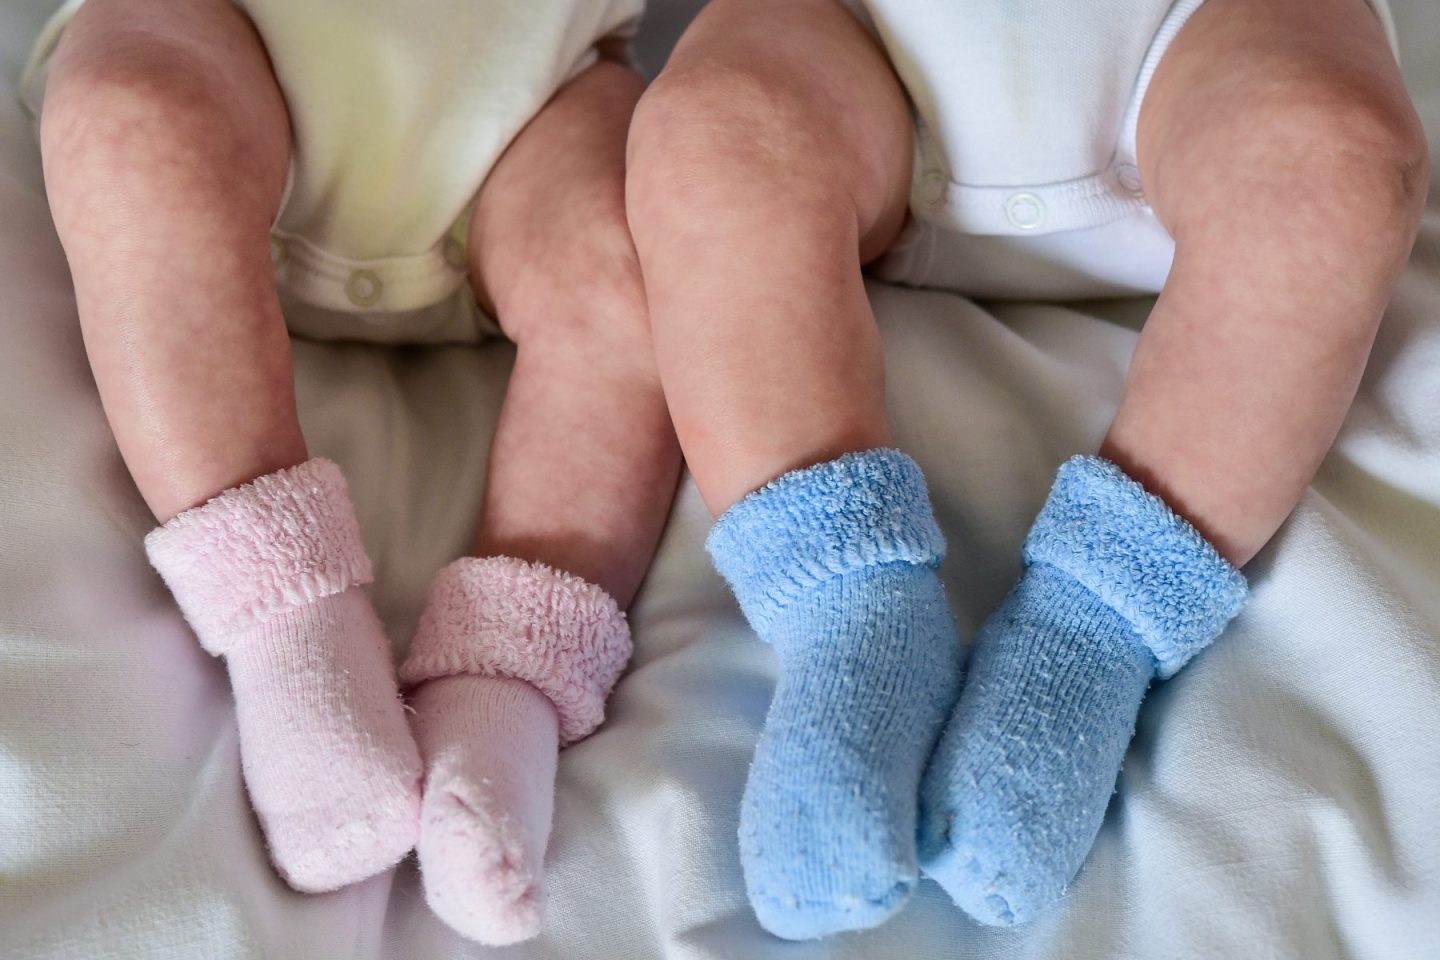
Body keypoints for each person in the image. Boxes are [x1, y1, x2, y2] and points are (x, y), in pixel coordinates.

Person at [622, 0, 1427, 938]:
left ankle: (1092, 628)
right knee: (707, 135)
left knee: (1335, 158)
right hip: (857, 38)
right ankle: (850, 603)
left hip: (1204, 39)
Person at [24, 0, 680, 945]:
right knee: (129, 121)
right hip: (214, 39)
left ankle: (507, 689)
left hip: (536, 92)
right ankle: (292, 626)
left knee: (645, 253)